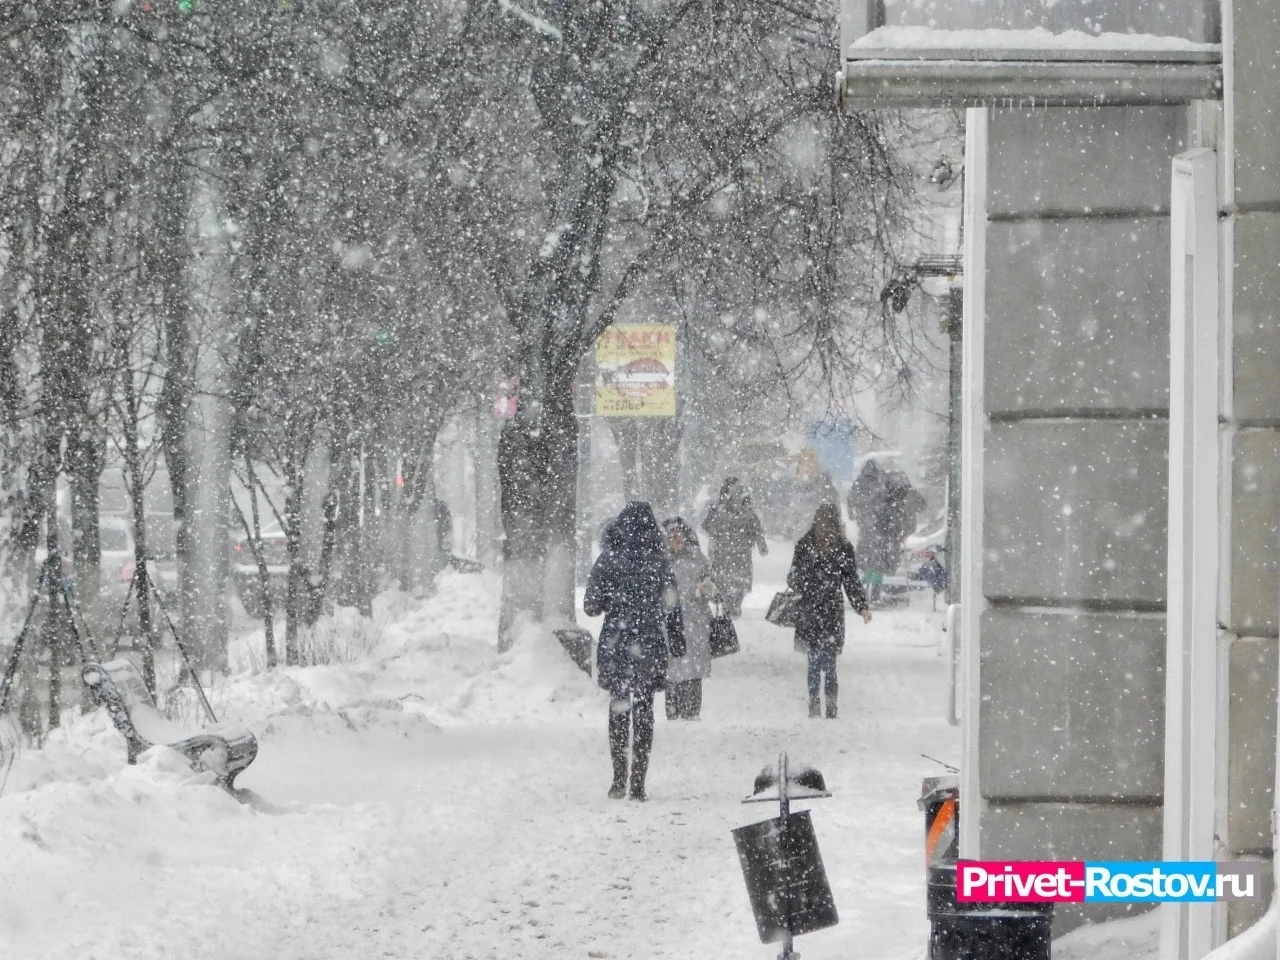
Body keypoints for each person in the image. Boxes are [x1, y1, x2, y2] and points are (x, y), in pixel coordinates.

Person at [585, 502, 686, 801]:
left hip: (616, 645)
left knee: (619, 708)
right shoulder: (660, 562)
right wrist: (677, 641)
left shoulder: (608, 560)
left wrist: (613, 601)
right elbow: (672, 606)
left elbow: (591, 607)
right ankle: (638, 782)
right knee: (644, 711)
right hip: (650, 645)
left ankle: (618, 779)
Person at [787, 502, 872, 719]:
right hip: (811, 611)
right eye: (822, 524)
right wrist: (808, 583)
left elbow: (851, 580)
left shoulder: (843, 548)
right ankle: (815, 703)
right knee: (815, 662)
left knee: (829, 663)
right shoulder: (805, 546)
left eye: (829, 525)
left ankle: (831, 705)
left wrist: (861, 607)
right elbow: (793, 577)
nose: (825, 530)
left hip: (831, 612)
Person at [661, 517, 716, 721]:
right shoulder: (661, 561)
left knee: (693, 668)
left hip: (696, 622)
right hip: (671, 624)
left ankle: (692, 711)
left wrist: (706, 589)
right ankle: (673, 710)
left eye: (679, 535)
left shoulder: (698, 559)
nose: (676, 539)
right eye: (671, 536)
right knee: (673, 667)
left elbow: (712, 586)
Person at [702, 477, 767, 618]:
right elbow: (714, 534)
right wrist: (712, 552)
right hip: (723, 557)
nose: (737, 504)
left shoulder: (749, 515)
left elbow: (757, 530)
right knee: (725, 584)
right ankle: (729, 606)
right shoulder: (721, 514)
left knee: (741, 585)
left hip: (742, 557)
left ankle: (735, 605)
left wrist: (762, 546)